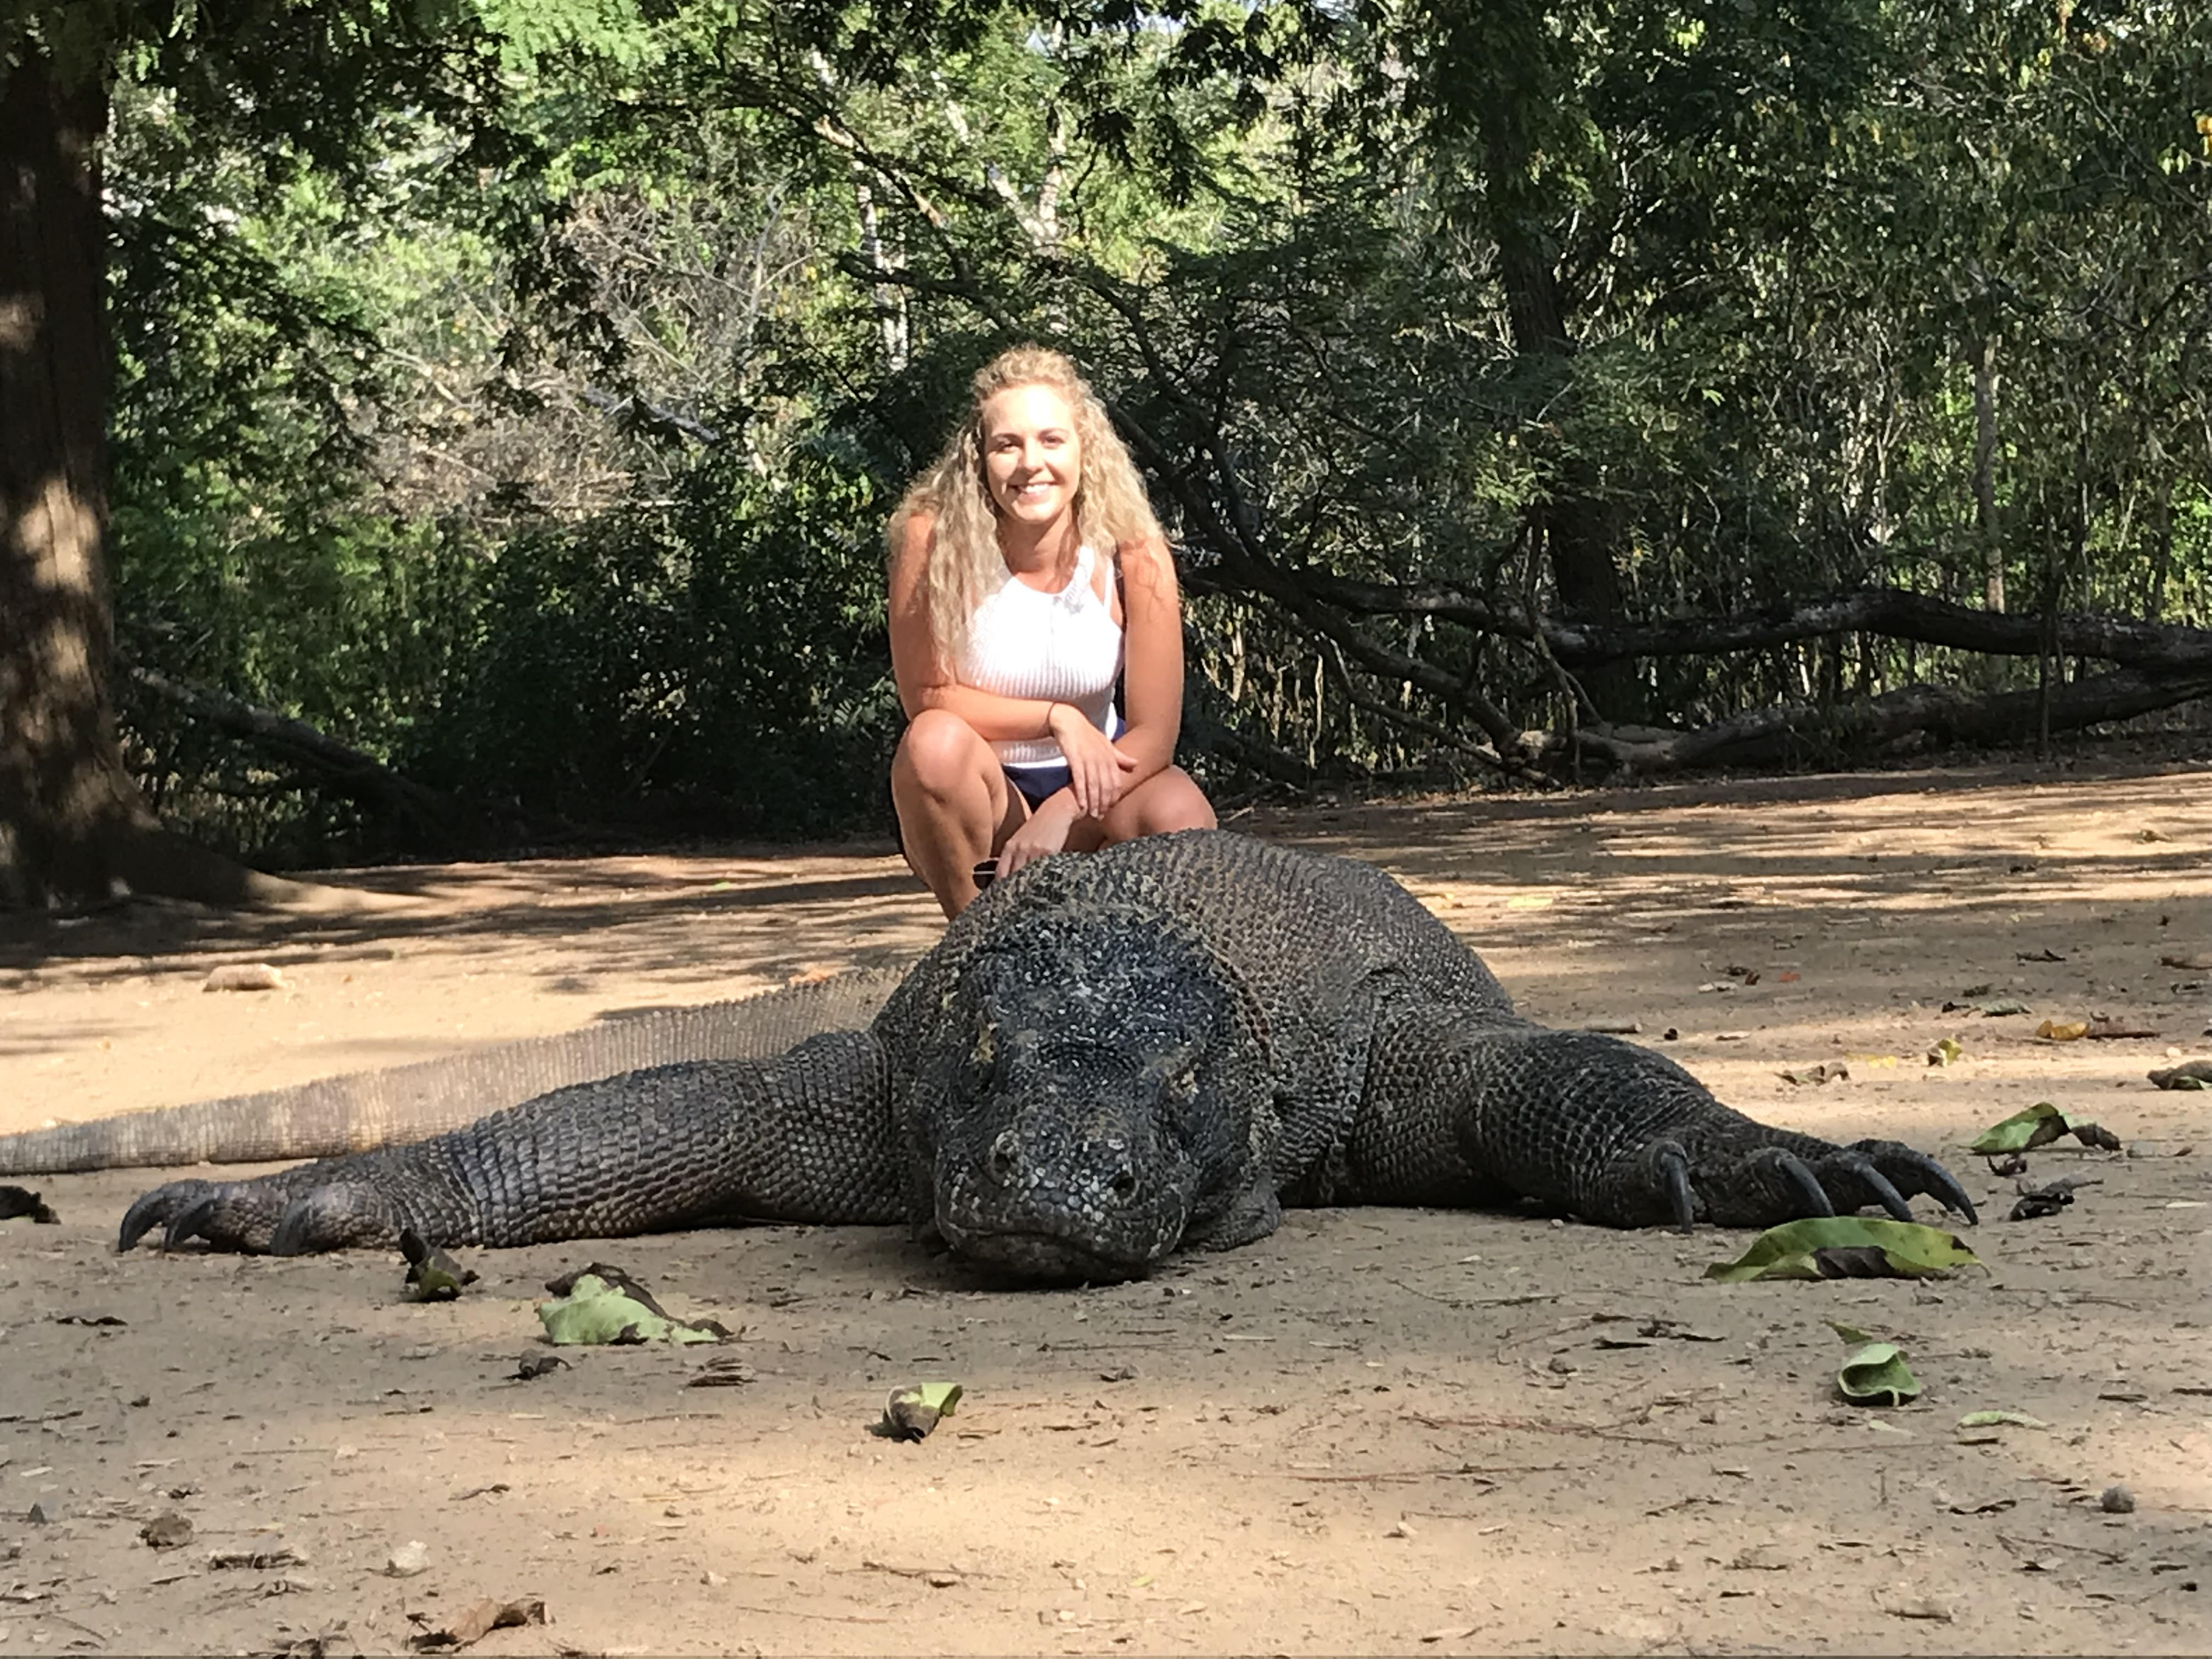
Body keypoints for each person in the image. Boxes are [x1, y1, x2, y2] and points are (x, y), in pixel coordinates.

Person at [888, 346, 1216, 918]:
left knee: (1179, 813)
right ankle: (974, 943)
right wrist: (1056, 717)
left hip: (1098, 792)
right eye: (1007, 445)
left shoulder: (1135, 551)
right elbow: (927, 697)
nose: (1030, 463)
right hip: (983, 800)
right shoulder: (931, 539)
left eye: (1051, 440)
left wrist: (1064, 810)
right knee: (931, 745)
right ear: (979, 458)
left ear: (1084, 449)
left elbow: (1155, 735)